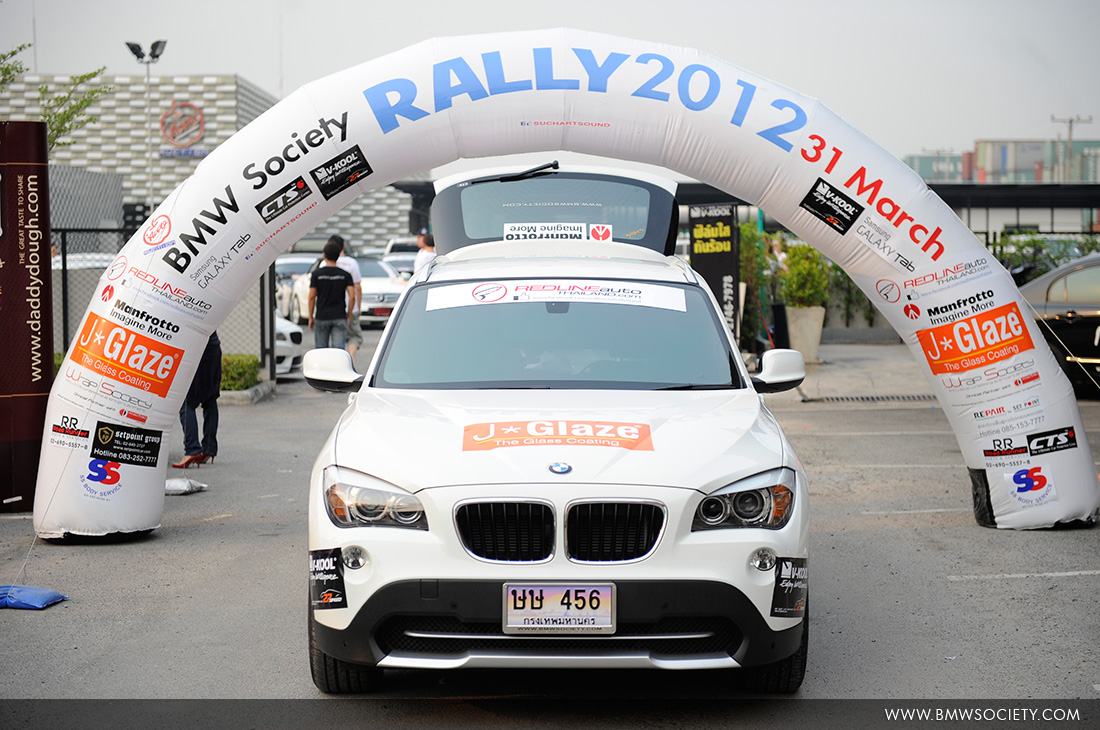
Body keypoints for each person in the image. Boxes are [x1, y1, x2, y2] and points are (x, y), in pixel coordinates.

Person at [173, 331, 221, 469]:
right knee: (210, 399)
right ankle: (209, 449)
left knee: (186, 402)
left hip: (196, 350)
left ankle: (192, 449)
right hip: (213, 348)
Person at [308, 238, 355, 349]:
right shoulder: (345, 275)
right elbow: (352, 296)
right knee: (338, 351)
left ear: (324, 255)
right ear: (338, 256)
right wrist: (348, 316)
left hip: (321, 316)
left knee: (321, 350)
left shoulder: (316, 274)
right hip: (339, 315)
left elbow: (311, 296)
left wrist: (310, 316)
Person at [331, 234, 363, 360]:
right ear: (344, 246)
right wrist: (358, 306)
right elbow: (357, 287)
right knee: (354, 336)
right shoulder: (352, 263)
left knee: (336, 338)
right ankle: (350, 359)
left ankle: (337, 362)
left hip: (333, 307)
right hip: (351, 306)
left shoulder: (326, 263)